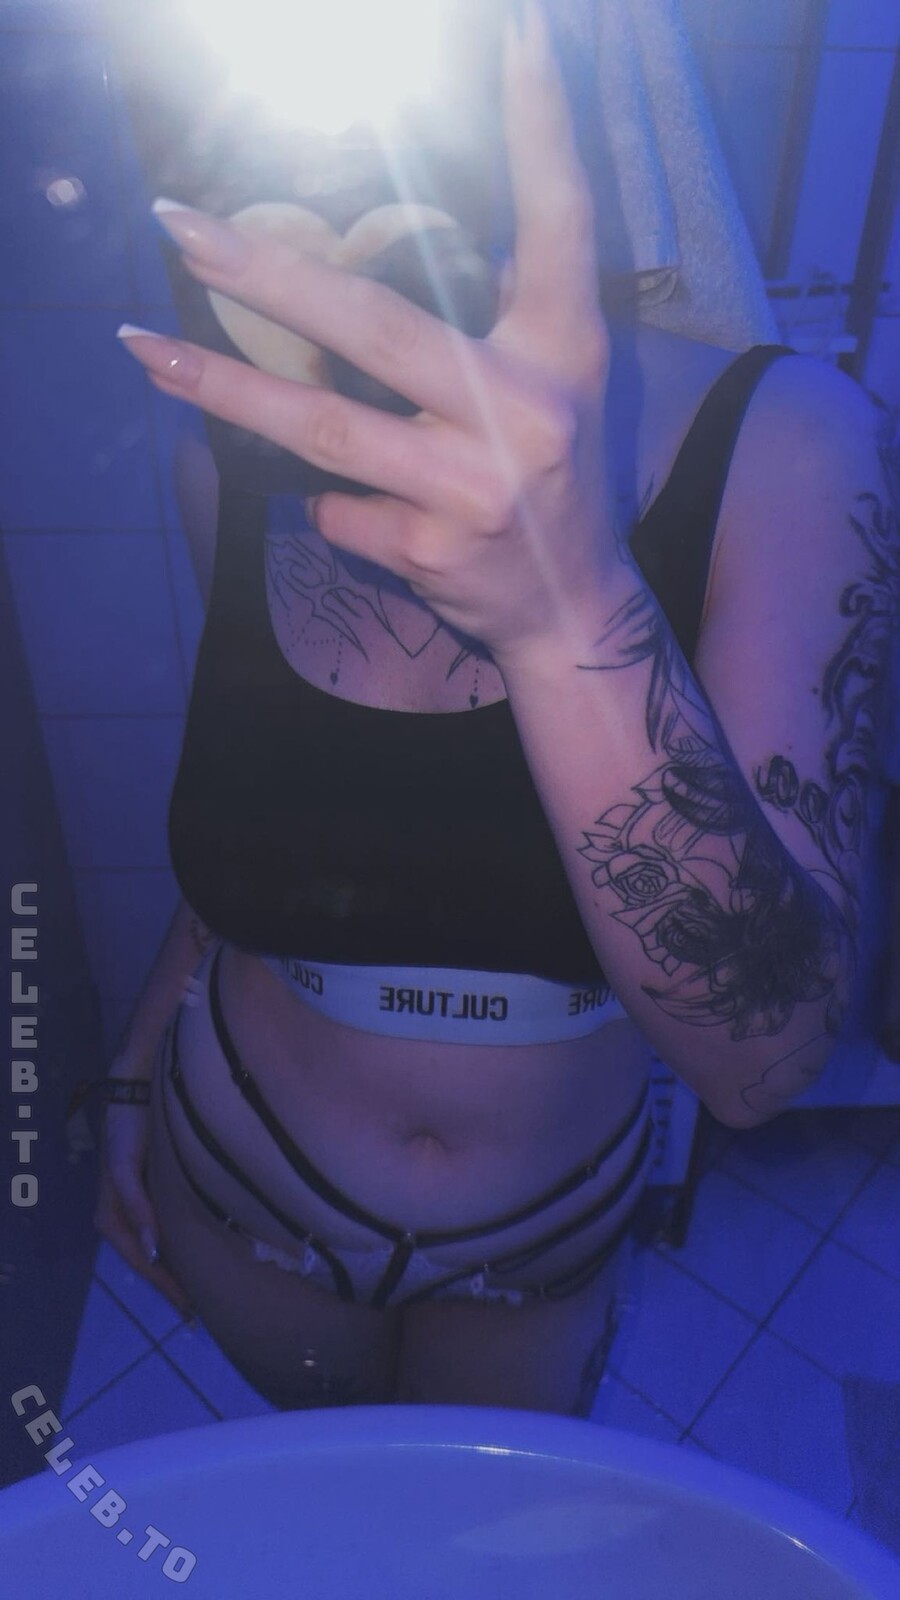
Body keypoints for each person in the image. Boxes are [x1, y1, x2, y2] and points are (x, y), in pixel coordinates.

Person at [95, 0, 896, 1416]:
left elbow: (767, 1059)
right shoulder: (234, 461)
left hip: (545, 1233)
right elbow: (251, 817)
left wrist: (565, 606)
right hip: (237, 1175)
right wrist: (132, 1068)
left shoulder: (789, 444)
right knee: (332, 1510)